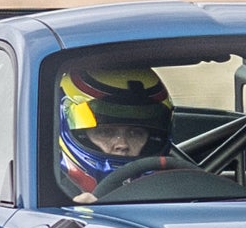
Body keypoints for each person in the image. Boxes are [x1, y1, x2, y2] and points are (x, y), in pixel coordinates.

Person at [51, 65, 181, 200]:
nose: (122, 144)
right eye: (106, 132)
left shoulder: (178, 187)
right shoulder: (44, 193)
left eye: (135, 133)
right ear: (81, 134)